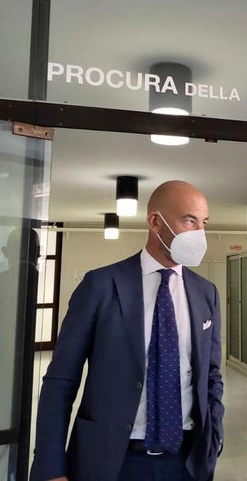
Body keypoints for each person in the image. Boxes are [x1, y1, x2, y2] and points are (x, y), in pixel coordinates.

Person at [31, 181, 224, 481]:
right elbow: (61, 380)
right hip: (113, 461)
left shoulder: (206, 292)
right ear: (155, 222)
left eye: (204, 223)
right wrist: (50, 466)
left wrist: (215, 438)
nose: (199, 233)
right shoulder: (100, 286)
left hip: (186, 461)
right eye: (189, 220)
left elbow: (211, 375)